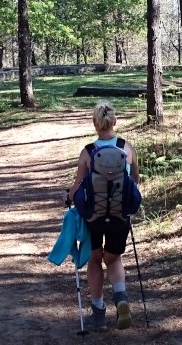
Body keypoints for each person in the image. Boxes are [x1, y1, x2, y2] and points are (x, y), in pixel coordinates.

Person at [64, 101, 140, 331]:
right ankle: (121, 298)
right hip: (119, 216)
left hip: (93, 218)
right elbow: (135, 181)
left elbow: (78, 187)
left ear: (94, 123)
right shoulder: (127, 148)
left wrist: (68, 196)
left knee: (95, 259)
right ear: (115, 121)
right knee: (114, 259)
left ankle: (98, 313)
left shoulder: (88, 152)